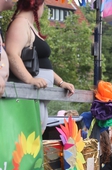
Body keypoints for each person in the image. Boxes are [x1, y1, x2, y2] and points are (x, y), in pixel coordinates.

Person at [6, 0, 74, 131]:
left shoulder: (28, 25)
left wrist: (61, 82)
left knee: (34, 139)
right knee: (27, 139)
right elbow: (12, 54)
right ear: (38, 5)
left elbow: (41, 63)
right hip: (28, 96)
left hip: (38, 96)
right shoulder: (20, 24)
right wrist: (30, 79)